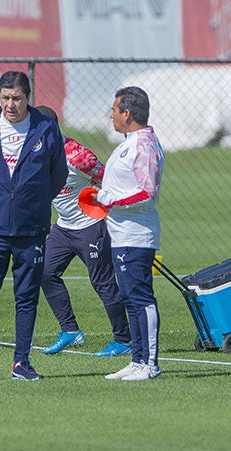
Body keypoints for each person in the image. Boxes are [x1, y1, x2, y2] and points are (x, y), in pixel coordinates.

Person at [0, 71, 69, 382]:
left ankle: (22, 362)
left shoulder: (46, 128)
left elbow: (57, 175)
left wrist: (30, 202)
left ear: (28, 98)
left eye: (16, 98)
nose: (10, 104)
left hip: (31, 228)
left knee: (27, 296)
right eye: (5, 97)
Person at [34, 105, 132, 358]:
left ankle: (124, 340)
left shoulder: (78, 157)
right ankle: (70, 331)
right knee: (44, 272)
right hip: (64, 228)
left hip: (91, 227)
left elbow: (108, 179)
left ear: (49, 129)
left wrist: (106, 206)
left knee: (102, 283)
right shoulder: (34, 152)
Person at [92, 86, 165, 381]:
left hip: (137, 235)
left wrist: (110, 201)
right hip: (121, 233)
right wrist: (101, 195)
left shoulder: (143, 145)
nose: (110, 115)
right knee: (129, 297)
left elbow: (147, 192)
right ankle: (137, 360)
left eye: (114, 110)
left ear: (127, 113)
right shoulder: (129, 142)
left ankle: (150, 364)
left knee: (140, 297)